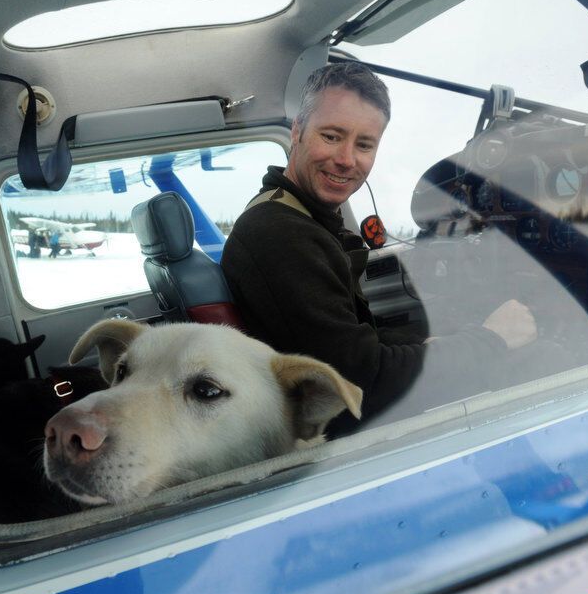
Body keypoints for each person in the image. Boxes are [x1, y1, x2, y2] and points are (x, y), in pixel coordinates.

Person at [220, 62, 537, 437]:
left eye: (364, 144)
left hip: (339, 411)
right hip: (338, 434)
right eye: (332, 136)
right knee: (542, 361)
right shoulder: (280, 233)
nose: (347, 159)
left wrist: (432, 346)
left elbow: (349, 349)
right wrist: (490, 339)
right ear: (297, 132)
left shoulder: (300, 218)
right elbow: (359, 386)